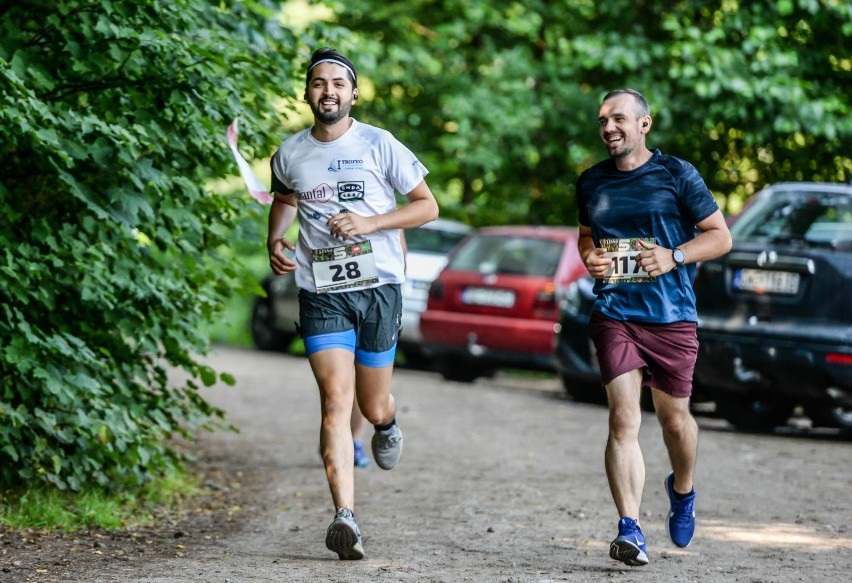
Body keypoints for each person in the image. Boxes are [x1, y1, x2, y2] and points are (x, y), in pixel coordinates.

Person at [266, 47, 439, 561]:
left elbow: (427, 207)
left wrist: (371, 223)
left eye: (338, 84)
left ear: (353, 93)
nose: (328, 92)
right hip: (321, 292)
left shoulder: (379, 144)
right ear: (306, 93)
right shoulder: (289, 153)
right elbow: (283, 200)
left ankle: (386, 423)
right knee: (335, 402)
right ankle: (345, 516)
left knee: (369, 403)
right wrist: (273, 240)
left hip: (378, 288)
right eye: (319, 83)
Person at [576, 88, 732, 567]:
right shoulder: (591, 182)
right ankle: (630, 528)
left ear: (644, 124)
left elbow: (720, 237)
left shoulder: (677, 175)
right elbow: (586, 239)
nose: (609, 128)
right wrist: (591, 260)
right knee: (624, 418)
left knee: (674, 421)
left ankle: (682, 490)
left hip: (672, 317)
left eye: (618, 119)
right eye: (603, 120)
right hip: (615, 312)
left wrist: (674, 255)